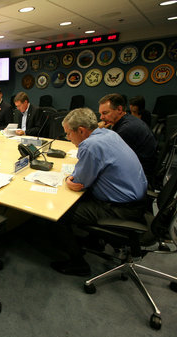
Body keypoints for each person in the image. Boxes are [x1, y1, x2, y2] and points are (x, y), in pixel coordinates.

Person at [51, 108, 148, 276]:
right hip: (139, 200)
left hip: (120, 208)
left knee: (59, 213)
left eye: (68, 134)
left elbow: (79, 182)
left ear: (81, 130)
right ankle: (95, 241)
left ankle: (78, 263)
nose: (68, 138)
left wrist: (68, 180)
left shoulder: (89, 145)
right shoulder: (109, 134)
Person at [99, 93, 157, 178]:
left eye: (105, 113)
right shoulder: (126, 120)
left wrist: (95, 132)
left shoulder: (126, 129)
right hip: (141, 164)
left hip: (139, 173)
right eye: (101, 114)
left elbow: (107, 156)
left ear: (119, 109)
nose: (101, 117)